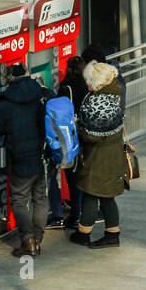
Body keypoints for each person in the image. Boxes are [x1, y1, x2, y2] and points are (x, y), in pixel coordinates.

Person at [0, 63, 48, 258]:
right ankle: (38, 238)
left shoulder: (3, 103)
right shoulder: (39, 94)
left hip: (19, 157)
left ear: (7, 78)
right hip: (38, 154)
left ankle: (28, 241)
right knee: (39, 197)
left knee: (19, 199)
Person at [70, 58, 127, 249]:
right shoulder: (114, 94)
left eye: (89, 81)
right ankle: (112, 233)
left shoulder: (96, 102)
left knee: (90, 192)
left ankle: (83, 233)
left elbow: (91, 135)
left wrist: (78, 125)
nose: (86, 84)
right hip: (113, 154)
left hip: (97, 157)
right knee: (107, 195)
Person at [56, 56, 88, 230]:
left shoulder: (65, 87)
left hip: (70, 136)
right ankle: (82, 209)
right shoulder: (87, 85)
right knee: (82, 174)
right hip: (85, 134)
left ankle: (76, 214)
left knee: (72, 175)